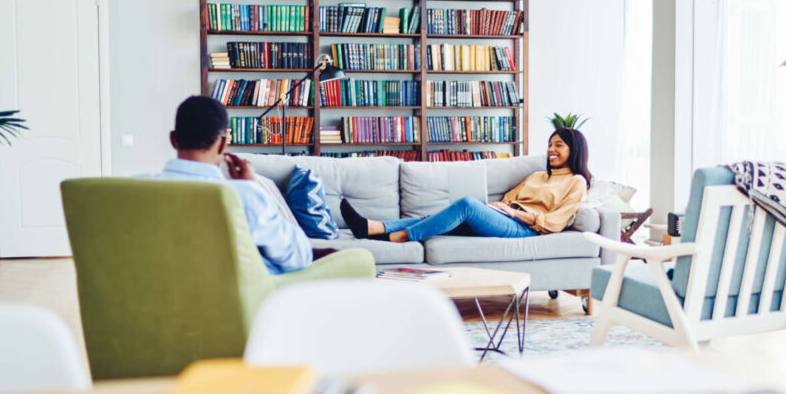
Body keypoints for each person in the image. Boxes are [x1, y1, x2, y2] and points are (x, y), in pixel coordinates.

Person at [142, 95, 313, 274]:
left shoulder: (136, 189)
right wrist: (250, 187)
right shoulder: (244, 196)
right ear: (223, 142)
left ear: (173, 139)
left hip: (157, 294)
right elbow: (300, 257)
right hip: (232, 298)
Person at [341, 128, 592, 242]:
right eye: (550, 144)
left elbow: (555, 222)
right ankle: (373, 227)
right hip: (505, 217)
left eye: (559, 145)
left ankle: (401, 236)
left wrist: (515, 212)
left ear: (575, 150)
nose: (551, 150)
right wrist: (500, 207)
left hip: (526, 229)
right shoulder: (537, 176)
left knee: (466, 206)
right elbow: (509, 198)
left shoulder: (575, 181)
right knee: (442, 216)